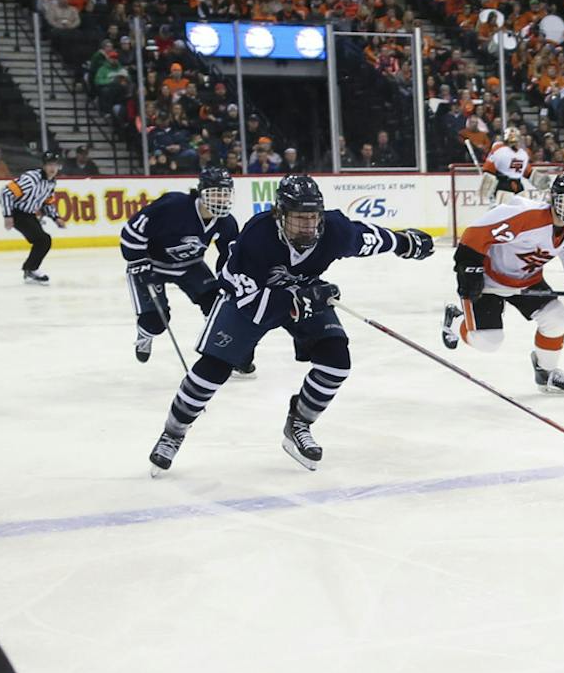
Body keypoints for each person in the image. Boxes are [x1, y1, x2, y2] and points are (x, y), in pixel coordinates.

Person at [148, 175, 435, 474]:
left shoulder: (333, 230)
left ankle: (299, 422)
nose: (308, 226)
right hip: (246, 300)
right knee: (212, 370)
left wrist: (405, 242)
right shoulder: (257, 236)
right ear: (280, 215)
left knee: (336, 363)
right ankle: (173, 432)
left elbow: (367, 239)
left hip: (304, 291)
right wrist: (301, 301)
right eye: (299, 218)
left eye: (313, 217)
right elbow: (253, 306)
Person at [439, 171, 564, 393]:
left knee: (556, 318)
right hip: (489, 280)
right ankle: (454, 320)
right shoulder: (525, 215)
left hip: (528, 282)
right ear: (553, 199)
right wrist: (469, 269)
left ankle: (545, 373)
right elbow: (475, 235)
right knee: (487, 342)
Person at [119, 168, 240, 365]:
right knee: (156, 322)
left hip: (190, 265)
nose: (221, 199)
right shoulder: (174, 206)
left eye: (225, 194)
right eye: (216, 193)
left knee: (218, 307)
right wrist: (138, 261)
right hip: (152, 266)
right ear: (201, 193)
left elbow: (230, 254)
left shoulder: (226, 222)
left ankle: (222, 353)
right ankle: (144, 335)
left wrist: (227, 279)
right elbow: (133, 230)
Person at [1, 149, 64, 284]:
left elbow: (47, 202)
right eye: (49, 165)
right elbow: (6, 193)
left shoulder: (51, 182)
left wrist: (56, 217)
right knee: (43, 240)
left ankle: (30, 269)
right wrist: (8, 215)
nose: (52, 168)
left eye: (55, 165)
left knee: (43, 240)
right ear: (44, 166)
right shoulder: (31, 179)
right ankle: (30, 270)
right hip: (17, 213)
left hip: (29, 214)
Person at [479, 125, 538, 200]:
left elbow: (527, 171)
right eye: (513, 141)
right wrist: (487, 186)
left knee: (522, 209)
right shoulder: (499, 150)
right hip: (503, 185)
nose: (515, 143)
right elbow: (488, 170)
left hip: (518, 186)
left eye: (517, 141)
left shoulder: (523, 153)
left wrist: (539, 180)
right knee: (503, 208)